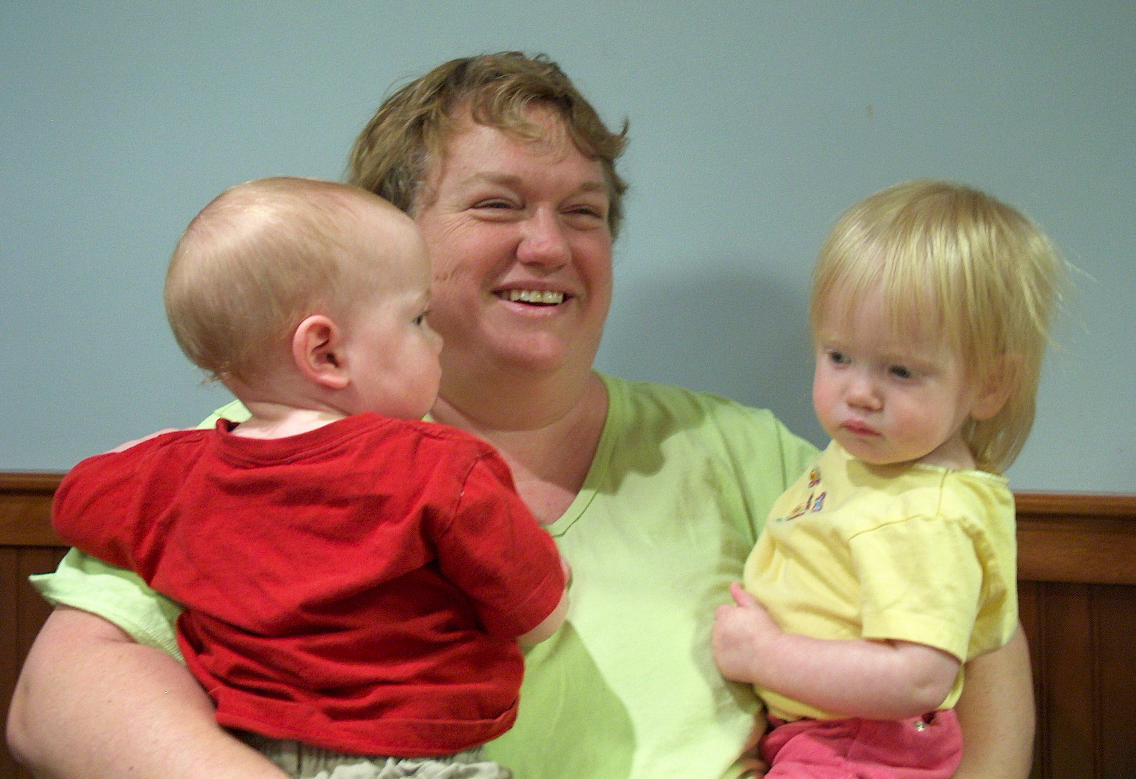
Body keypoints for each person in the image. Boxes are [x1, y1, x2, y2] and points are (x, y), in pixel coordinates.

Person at [6, 52, 1037, 779]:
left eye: (581, 212)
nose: (547, 245)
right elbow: (62, 700)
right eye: (498, 205)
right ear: (392, 240)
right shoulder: (261, 452)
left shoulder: (749, 453)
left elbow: (970, 661)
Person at [49, 177, 569, 779]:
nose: (437, 339)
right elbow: (538, 615)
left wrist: (147, 455)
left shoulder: (169, 476)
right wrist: (556, 569)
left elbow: (75, 501)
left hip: (243, 750)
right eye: (418, 318)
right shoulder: (439, 467)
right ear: (325, 352)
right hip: (414, 756)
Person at [713, 179, 1062, 777]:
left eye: (900, 370)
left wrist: (765, 654)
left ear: (989, 387)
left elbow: (918, 678)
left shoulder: (928, 513)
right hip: (830, 735)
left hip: (862, 744)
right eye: (839, 356)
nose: (859, 393)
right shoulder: (875, 462)